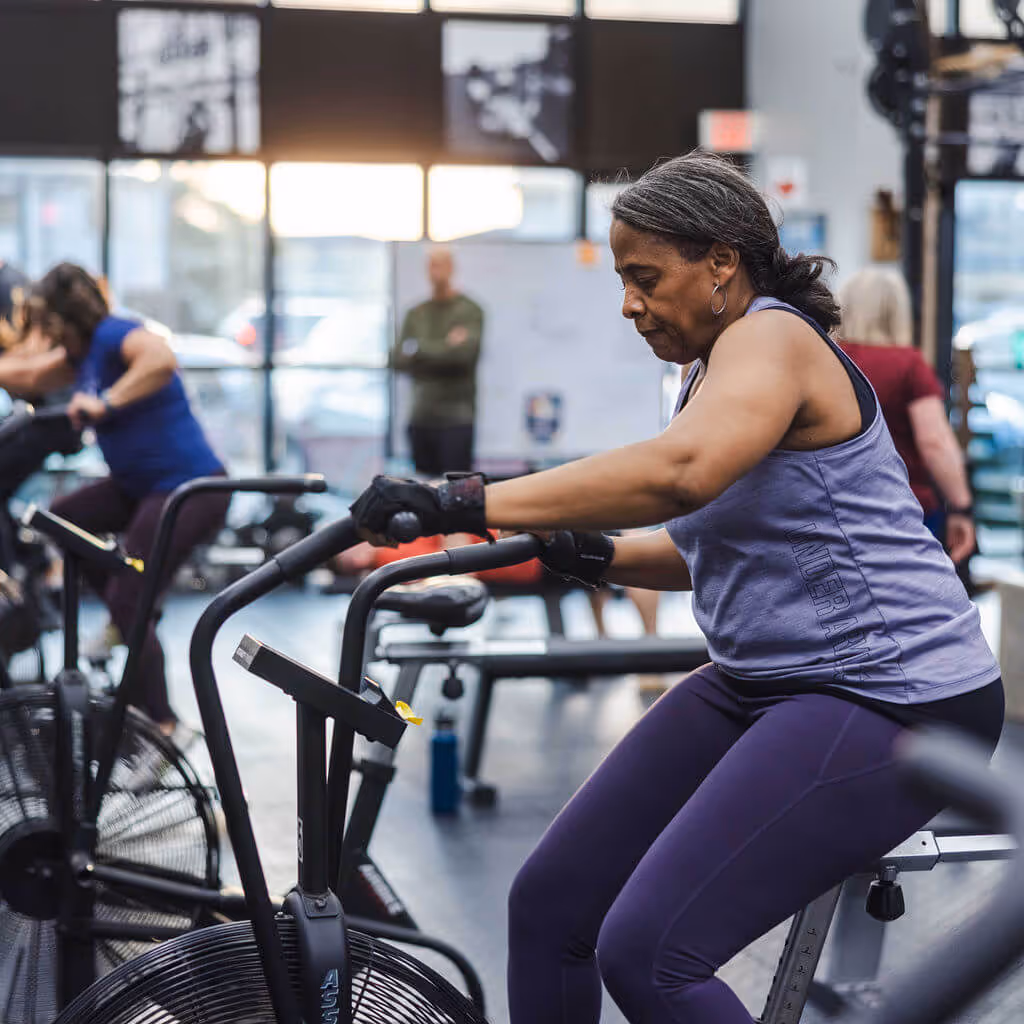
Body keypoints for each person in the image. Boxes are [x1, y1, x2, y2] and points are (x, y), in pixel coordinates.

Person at [349, 152, 1004, 1024]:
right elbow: (711, 543)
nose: (630, 304)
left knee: (650, 954)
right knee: (551, 905)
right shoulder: (710, 369)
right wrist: (597, 555)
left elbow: (682, 474)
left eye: (645, 278)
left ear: (722, 261)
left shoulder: (772, 337)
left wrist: (463, 499)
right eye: (624, 281)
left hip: (892, 693)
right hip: (763, 680)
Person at [0, 263, 229, 736]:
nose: (40, 334)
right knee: (59, 520)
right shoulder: (80, 358)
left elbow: (161, 359)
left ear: (63, 318)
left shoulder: (114, 332)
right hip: (140, 487)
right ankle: (124, 620)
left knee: (132, 596)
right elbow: (24, 375)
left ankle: (167, 725)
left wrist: (108, 402)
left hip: (188, 487)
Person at [839, 266, 975, 566]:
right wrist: (962, 507)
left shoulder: (828, 359)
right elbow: (935, 442)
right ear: (896, 311)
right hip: (904, 513)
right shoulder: (907, 364)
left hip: (838, 513)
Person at [391, 247, 483, 476]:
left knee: (457, 493)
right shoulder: (417, 313)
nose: (436, 271)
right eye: (432, 265)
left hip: (457, 418)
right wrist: (445, 346)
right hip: (421, 416)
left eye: (441, 264)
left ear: (452, 268)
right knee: (424, 490)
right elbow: (397, 360)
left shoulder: (470, 310)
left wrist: (420, 350)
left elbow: (462, 357)